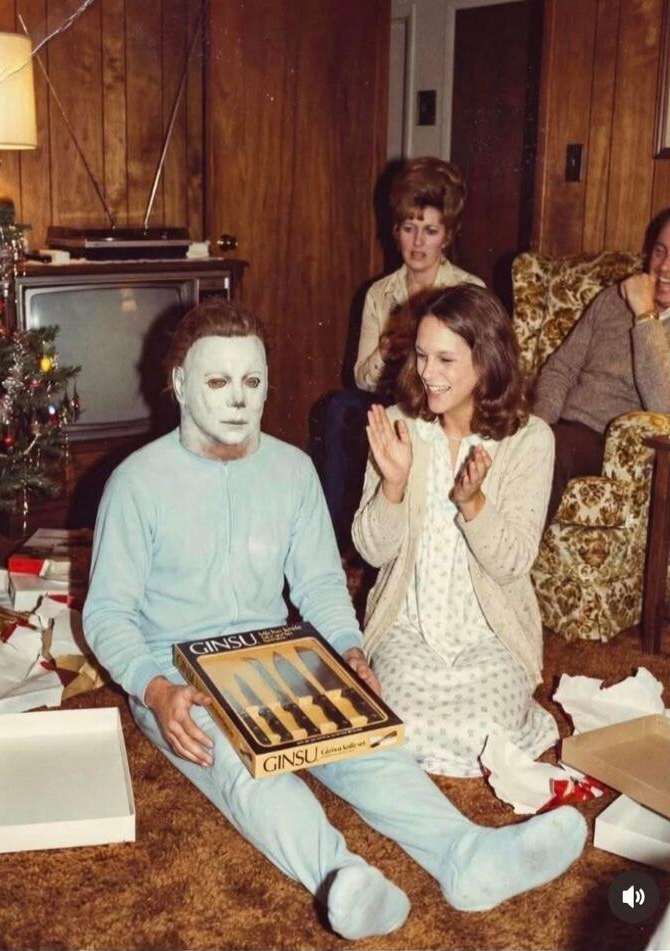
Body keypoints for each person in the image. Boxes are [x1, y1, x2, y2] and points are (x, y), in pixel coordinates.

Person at [83, 299, 586, 942]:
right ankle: (338, 876)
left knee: (370, 746)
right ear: (179, 383)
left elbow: (321, 583)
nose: (237, 399)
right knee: (246, 770)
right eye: (216, 381)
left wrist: (349, 653)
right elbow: (106, 614)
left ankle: (465, 855)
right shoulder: (136, 483)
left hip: (275, 657)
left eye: (252, 381)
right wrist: (153, 689)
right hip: (178, 676)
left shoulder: (292, 470)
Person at [352, 284, 558, 778]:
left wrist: (475, 505)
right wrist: (394, 486)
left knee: (486, 734)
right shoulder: (401, 426)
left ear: (485, 362)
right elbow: (370, 549)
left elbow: (512, 562)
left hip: (490, 635)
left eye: (446, 360)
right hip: (409, 627)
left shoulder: (530, 440)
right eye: (422, 356)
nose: (427, 373)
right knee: (401, 725)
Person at [323, 157, 484, 548]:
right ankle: (335, 543)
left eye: (430, 231)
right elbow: (361, 378)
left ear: (447, 236)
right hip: (393, 397)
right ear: (395, 232)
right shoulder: (380, 294)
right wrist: (385, 349)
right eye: (409, 229)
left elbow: (482, 369)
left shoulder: (469, 290)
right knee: (339, 410)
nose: (417, 243)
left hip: (447, 401)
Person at [533, 207, 670, 523]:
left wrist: (645, 315)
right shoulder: (612, 299)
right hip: (561, 426)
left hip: (613, 443)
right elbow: (561, 367)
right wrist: (538, 424)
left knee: (549, 452)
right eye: (660, 251)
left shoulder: (638, 305)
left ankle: (507, 565)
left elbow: (663, 406)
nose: (663, 266)